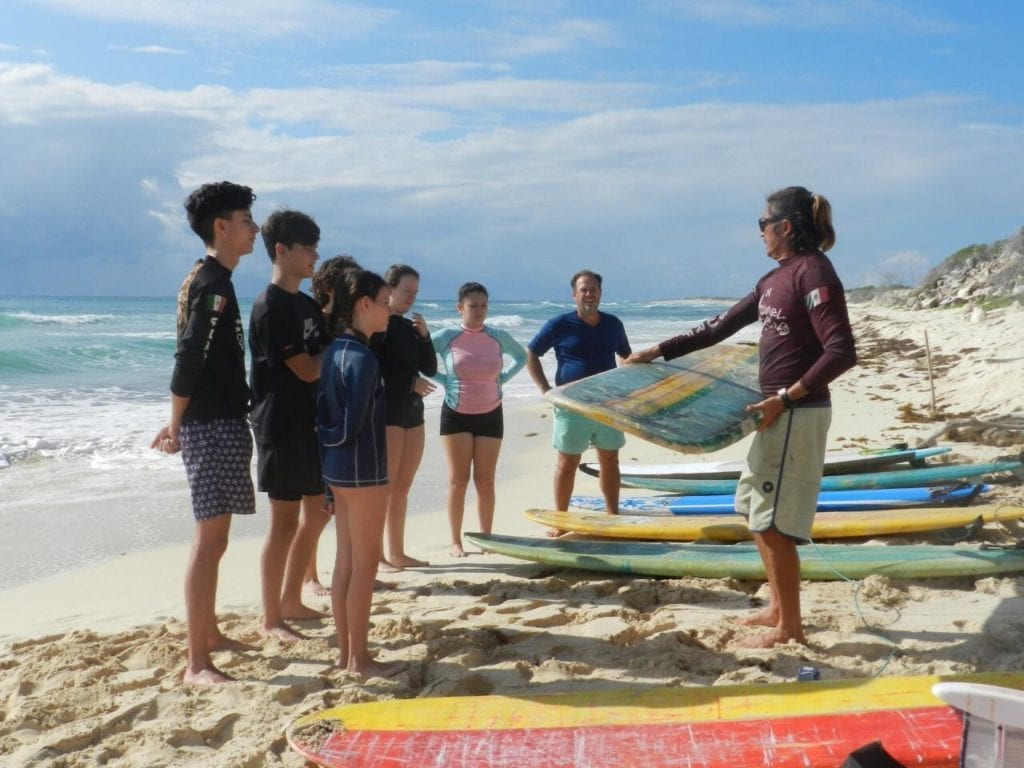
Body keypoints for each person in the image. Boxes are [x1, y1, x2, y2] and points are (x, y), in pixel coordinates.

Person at [627, 186, 856, 648]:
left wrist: (787, 398)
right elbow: (718, 327)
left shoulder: (814, 273)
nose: (760, 233)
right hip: (773, 415)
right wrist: (657, 352)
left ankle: (790, 627)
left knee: (773, 522)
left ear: (785, 226)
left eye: (763, 224)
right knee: (755, 512)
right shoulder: (775, 279)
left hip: (796, 413)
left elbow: (841, 351)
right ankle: (775, 608)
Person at [151, 180, 259, 685]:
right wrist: (176, 422)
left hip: (217, 418)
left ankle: (209, 635)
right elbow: (189, 356)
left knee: (216, 538)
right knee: (209, 539)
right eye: (246, 219)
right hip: (209, 423)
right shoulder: (212, 283)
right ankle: (197, 662)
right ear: (222, 227)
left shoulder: (212, 277)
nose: (254, 228)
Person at [317, 269, 404, 678]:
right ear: (364, 305)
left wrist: (327, 461)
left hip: (336, 470)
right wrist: (342, 440)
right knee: (364, 566)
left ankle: (344, 655)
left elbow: (324, 418)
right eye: (385, 302)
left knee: (345, 562)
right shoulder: (365, 356)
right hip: (364, 471)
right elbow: (352, 423)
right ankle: (360, 659)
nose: (390, 310)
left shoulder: (334, 349)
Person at [248, 209, 328, 640]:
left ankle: (292, 600)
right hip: (279, 424)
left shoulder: (306, 302)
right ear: (282, 250)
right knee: (283, 523)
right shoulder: (271, 306)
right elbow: (307, 369)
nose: (316, 254)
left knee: (316, 513)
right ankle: (270, 618)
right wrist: (340, 347)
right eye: (308, 247)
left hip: (312, 423)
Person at [431, 282, 528, 557]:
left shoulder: (497, 336)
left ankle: (487, 538)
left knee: (485, 482)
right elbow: (420, 358)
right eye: (472, 306)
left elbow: (521, 356)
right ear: (460, 308)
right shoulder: (447, 336)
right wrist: (443, 381)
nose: (479, 311)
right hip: (456, 414)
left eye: (483, 305)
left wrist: (504, 379)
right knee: (458, 481)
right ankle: (455, 542)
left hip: (490, 413)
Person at [526, 270, 631, 516]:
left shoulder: (613, 324)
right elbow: (531, 353)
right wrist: (545, 389)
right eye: (584, 289)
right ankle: (561, 518)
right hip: (571, 405)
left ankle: (612, 515)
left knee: (610, 461)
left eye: (593, 289)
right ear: (574, 294)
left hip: (608, 404)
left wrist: (629, 388)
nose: (589, 294)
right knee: (567, 464)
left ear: (600, 293)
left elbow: (625, 356)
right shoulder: (559, 324)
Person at [303, 254, 363, 596]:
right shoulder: (314, 320)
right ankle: (309, 575)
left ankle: (352, 569)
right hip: (312, 416)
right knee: (314, 505)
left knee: (344, 503)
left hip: (339, 415)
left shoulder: (346, 322)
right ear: (328, 286)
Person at [371, 264, 437, 570]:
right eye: (406, 291)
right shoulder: (379, 325)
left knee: (403, 487)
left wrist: (424, 337)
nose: (411, 297)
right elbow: (375, 371)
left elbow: (431, 369)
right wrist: (410, 383)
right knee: (385, 488)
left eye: (415, 292)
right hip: (388, 412)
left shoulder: (409, 328)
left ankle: (397, 552)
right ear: (390, 289)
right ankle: (378, 555)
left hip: (413, 412)